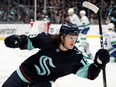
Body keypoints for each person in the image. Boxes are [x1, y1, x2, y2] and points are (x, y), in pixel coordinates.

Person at [2, 23, 110, 87]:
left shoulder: (75, 57)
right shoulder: (47, 39)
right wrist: (17, 40)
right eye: (70, 37)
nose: (74, 41)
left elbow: (90, 73)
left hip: (44, 82)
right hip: (25, 72)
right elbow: (28, 41)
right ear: (62, 37)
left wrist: (99, 62)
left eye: (75, 38)